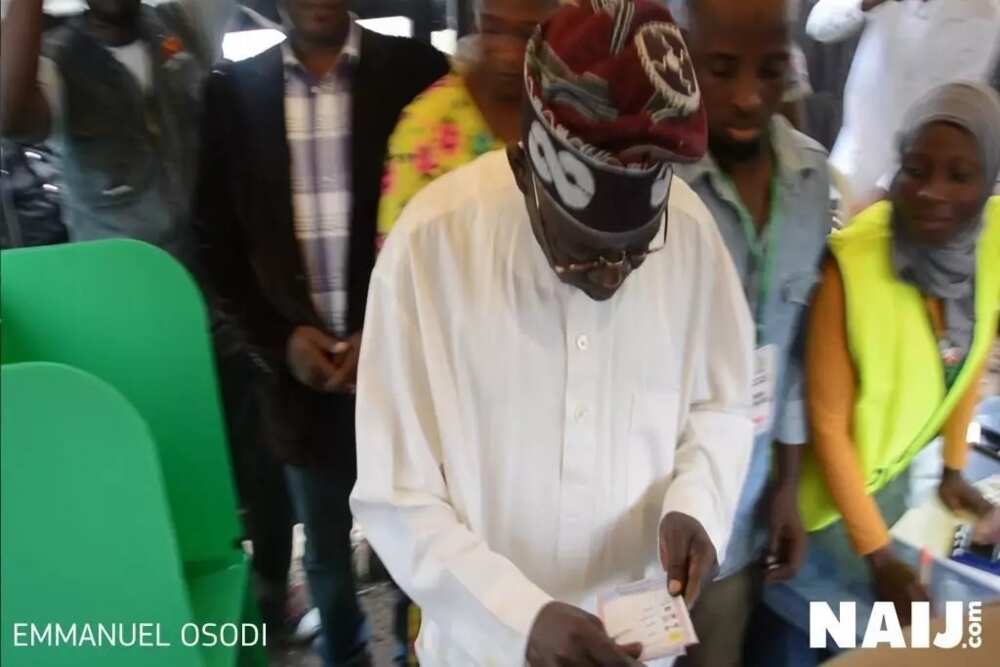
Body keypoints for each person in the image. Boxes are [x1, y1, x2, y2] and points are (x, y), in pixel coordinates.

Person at [350, 1, 756, 665]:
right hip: (482, 650)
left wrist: (697, 504)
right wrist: (522, 622)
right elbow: (397, 495)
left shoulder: (689, 237)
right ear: (526, 170)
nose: (612, 275)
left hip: (638, 647)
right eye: (586, 247)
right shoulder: (430, 251)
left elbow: (723, 404)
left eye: (632, 249)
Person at [192, 0, 449, 664]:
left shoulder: (422, 74)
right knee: (329, 553)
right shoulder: (233, 93)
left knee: (420, 546)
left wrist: (390, 333)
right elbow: (215, 246)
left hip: (405, 379)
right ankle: (344, 651)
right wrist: (281, 342)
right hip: (299, 384)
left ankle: (412, 655)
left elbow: (449, 229)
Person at [765, 81, 1000, 665]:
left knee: (910, 638)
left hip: (891, 481)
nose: (931, 193)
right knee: (822, 637)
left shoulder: (991, 239)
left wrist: (951, 468)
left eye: (959, 175)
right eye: (915, 169)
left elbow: (968, 353)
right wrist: (879, 558)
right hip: (822, 512)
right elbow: (828, 425)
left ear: (989, 179)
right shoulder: (852, 266)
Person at [668, 1, 833, 665]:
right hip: (640, 522)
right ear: (682, 56)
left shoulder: (810, 180)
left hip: (740, 517)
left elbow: (790, 350)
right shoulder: (644, 183)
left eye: (770, 70)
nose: (747, 96)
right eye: (721, 68)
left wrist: (787, 486)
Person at [0, 0, 233, 260]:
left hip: (194, 269)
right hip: (115, 279)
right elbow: (12, 118)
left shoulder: (181, 25)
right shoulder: (60, 58)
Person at [377, 0, 558, 246]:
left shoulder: (573, 120)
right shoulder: (424, 128)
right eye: (493, 29)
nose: (508, 52)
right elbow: (399, 266)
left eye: (526, 34)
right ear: (477, 22)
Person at [805, 0, 1000, 211]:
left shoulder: (984, 9)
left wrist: (885, 190)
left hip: (913, 184)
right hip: (850, 158)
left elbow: (947, 113)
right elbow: (818, 26)